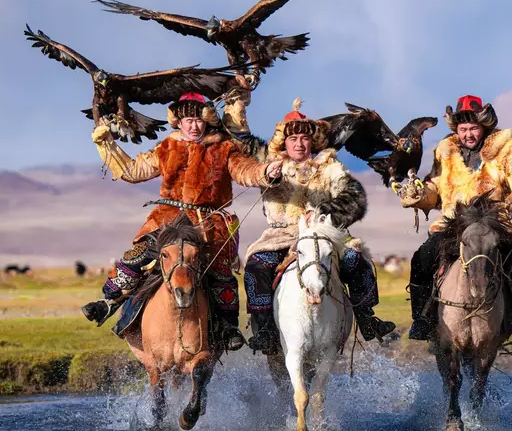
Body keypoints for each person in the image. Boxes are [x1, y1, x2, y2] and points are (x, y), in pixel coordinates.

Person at [80, 92, 282, 352]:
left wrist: (266, 172)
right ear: (178, 122)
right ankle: (108, 303)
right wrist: (107, 144)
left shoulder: (224, 147)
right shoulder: (167, 146)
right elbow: (132, 170)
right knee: (137, 256)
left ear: (207, 120)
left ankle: (227, 328)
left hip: (209, 221)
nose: (193, 126)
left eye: (198, 120)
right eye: (187, 120)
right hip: (168, 219)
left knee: (220, 271)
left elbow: (246, 171)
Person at [242, 98, 396, 355]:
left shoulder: (329, 166)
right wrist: (239, 99)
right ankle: (266, 327)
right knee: (257, 265)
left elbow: (353, 193)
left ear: (312, 141)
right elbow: (241, 137)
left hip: (322, 233)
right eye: (293, 139)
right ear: (284, 142)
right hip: (280, 235)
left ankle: (367, 318)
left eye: (304, 138)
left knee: (355, 261)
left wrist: (327, 215)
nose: (299, 144)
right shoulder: (269, 163)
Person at [399, 94, 512, 348]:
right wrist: (420, 194)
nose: (468, 134)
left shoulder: (506, 152)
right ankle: (421, 319)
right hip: (452, 225)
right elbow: (436, 187)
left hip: (493, 224)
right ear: (456, 129)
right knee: (422, 258)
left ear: (484, 126)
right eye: (463, 128)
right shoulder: (446, 153)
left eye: (473, 128)